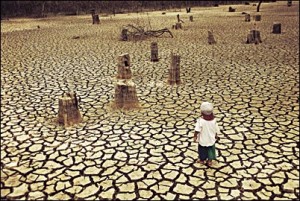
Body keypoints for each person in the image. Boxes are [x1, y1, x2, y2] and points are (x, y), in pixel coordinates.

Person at [194, 102, 220, 166]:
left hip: (203, 139)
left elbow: (197, 130)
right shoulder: (214, 120)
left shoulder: (200, 120)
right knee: (211, 150)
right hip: (211, 139)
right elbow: (216, 129)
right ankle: (209, 161)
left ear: (202, 112)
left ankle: (202, 160)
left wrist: (195, 136)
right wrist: (216, 135)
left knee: (202, 150)